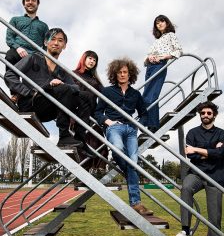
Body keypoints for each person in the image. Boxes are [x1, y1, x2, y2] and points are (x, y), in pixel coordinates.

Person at [4, 28, 91, 148]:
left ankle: (80, 139)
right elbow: (10, 75)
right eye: (53, 39)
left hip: (49, 109)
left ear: (64, 46)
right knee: (63, 89)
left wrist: (59, 83)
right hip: (31, 103)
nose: (56, 43)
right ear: (45, 42)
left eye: (60, 40)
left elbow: (75, 87)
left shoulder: (62, 71)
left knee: (87, 96)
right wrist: (28, 92)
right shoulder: (33, 58)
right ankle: (64, 136)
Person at [171, 101, 224, 236]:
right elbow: (190, 155)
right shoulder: (192, 132)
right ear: (199, 114)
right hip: (196, 173)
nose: (205, 115)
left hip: (216, 178)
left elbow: (220, 155)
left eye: (209, 113)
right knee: (185, 188)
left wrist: (198, 150)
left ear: (214, 115)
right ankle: (186, 232)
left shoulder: (221, 133)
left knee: (214, 219)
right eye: (203, 112)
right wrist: (209, 152)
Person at [94, 58, 152, 215]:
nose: (122, 74)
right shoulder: (107, 91)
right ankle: (131, 177)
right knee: (119, 150)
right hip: (115, 128)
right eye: (119, 72)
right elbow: (98, 112)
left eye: (125, 72)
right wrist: (108, 122)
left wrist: (137, 125)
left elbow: (144, 114)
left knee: (133, 163)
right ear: (115, 74)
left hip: (131, 130)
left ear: (130, 74)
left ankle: (136, 203)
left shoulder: (135, 94)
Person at [141, 15, 182, 132]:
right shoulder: (157, 41)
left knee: (151, 96)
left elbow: (179, 50)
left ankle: (150, 125)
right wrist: (149, 57)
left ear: (166, 22)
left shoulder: (171, 35)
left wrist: (165, 56)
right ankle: (149, 124)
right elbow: (147, 55)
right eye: (157, 23)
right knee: (146, 95)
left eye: (161, 21)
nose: (159, 24)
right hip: (150, 66)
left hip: (159, 65)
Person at [72, 50, 108, 167]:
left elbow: (107, 95)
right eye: (90, 58)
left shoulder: (95, 80)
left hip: (92, 116)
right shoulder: (73, 74)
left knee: (98, 144)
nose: (92, 61)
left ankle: (92, 175)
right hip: (77, 114)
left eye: (94, 60)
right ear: (84, 59)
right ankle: (81, 175)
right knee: (81, 145)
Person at [5, 0, 49, 65]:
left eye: (33, 0)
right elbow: (9, 38)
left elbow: (47, 46)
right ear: (24, 4)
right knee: (10, 56)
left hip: (35, 56)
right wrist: (18, 48)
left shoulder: (44, 26)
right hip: (16, 51)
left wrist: (42, 57)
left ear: (37, 4)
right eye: (27, 0)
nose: (30, 2)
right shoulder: (15, 20)